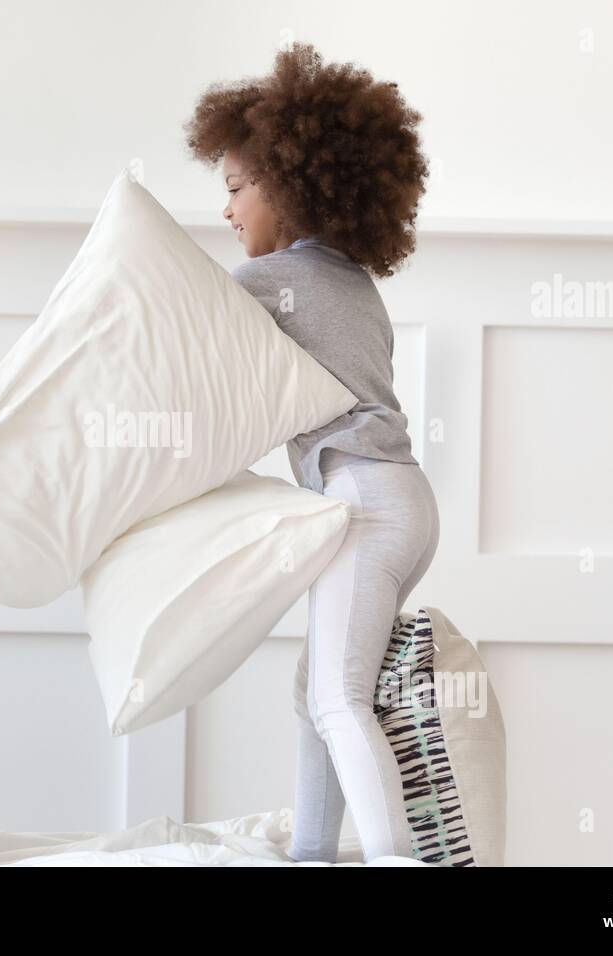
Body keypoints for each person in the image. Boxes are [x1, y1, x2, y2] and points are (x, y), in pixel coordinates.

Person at [185, 43, 441, 862]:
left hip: (364, 502)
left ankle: (396, 861)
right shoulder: (353, 281)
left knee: (336, 697)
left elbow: (180, 316)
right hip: (397, 501)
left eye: (235, 188)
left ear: (291, 187)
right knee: (318, 692)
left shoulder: (271, 281)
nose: (226, 212)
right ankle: (311, 853)